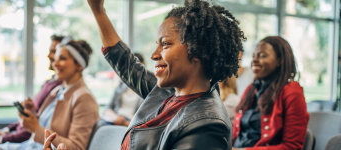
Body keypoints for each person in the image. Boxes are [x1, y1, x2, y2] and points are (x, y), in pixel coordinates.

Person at [44, 0, 246, 149]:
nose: (154, 54)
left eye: (165, 44)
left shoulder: (208, 124)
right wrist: (98, 11)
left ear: (198, 50)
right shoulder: (169, 93)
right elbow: (127, 64)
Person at [0, 39, 99, 150]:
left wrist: (36, 128)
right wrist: (33, 113)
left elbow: (76, 148)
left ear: (79, 65)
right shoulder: (57, 91)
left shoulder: (84, 98)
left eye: (62, 58)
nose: (55, 63)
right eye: (56, 58)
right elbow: (47, 125)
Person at [232, 36, 309, 150]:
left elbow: (292, 147)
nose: (254, 60)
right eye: (254, 56)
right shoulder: (251, 90)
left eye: (262, 55)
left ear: (280, 60)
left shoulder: (292, 92)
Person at [100, 53, 146, 127]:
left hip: (131, 123)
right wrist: (116, 118)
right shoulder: (122, 85)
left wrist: (126, 124)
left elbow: (146, 118)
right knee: (100, 125)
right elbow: (107, 108)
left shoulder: (147, 89)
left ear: (143, 65)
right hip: (117, 118)